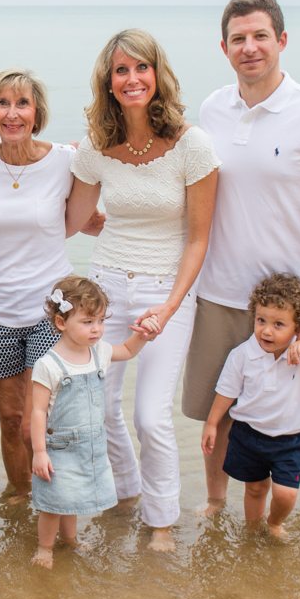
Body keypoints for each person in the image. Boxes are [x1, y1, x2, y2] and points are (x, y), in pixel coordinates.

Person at [184, 0, 300, 532]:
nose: (250, 47)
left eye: (260, 36)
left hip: (295, 304)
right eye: (238, 38)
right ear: (223, 48)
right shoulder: (212, 109)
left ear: (282, 40)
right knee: (218, 406)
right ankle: (216, 502)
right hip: (220, 290)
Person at [64, 29, 219, 552]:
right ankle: (126, 489)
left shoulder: (192, 146)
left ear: (157, 74)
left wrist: (169, 307)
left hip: (166, 292)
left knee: (150, 416)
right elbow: (74, 219)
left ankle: (162, 520)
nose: (131, 79)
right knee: (98, 404)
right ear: (108, 82)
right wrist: (35, 159)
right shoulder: (96, 145)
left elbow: (199, 239)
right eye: (121, 70)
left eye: (141, 68)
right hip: (104, 290)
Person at [0, 68, 95, 498]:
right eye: (2, 103)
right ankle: (19, 500)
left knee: (37, 422)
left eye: (22, 103)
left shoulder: (65, 159)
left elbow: (95, 204)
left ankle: (57, 502)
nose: (12, 113)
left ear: (37, 112)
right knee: (10, 421)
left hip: (50, 311)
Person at [201, 273, 300, 539]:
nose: (267, 330)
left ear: (298, 327)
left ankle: (273, 523)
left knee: (285, 494)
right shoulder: (242, 355)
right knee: (255, 489)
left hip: (290, 440)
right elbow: (226, 392)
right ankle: (252, 531)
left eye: (279, 324)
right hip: (248, 435)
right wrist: (212, 424)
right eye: (261, 320)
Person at [29, 276, 159, 568]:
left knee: (73, 499)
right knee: (54, 504)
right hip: (59, 448)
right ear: (61, 322)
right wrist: (39, 452)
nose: (97, 329)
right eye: (87, 322)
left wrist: (143, 334)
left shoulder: (99, 352)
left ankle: (70, 539)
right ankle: (45, 548)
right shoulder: (48, 364)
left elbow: (127, 350)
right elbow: (38, 412)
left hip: (90, 446)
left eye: (100, 321)